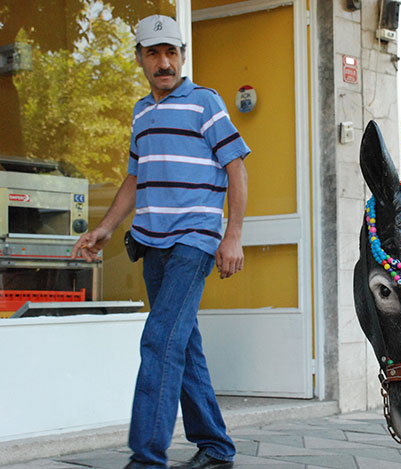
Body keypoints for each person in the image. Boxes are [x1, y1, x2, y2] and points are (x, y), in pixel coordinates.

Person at [72, 14, 249, 469]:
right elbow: (135, 177)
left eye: (172, 52)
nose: (164, 62)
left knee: (159, 341)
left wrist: (232, 236)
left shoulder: (205, 102)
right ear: (140, 59)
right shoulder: (141, 112)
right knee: (181, 342)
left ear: (182, 56)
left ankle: (147, 458)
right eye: (154, 54)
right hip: (152, 243)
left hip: (194, 240)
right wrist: (106, 228)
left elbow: (237, 168)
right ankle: (216, 446)